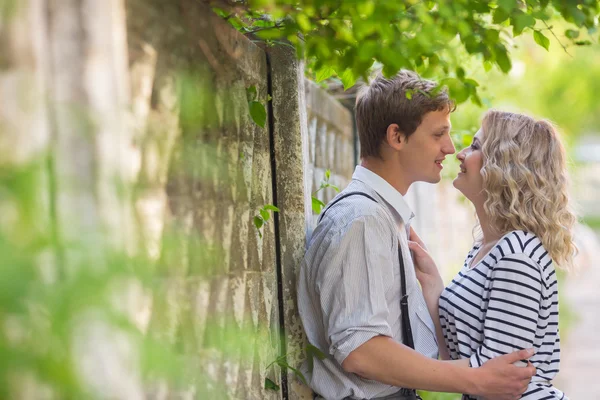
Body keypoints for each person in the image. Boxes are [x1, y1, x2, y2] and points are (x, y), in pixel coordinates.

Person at [297, 71, 536, 400]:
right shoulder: (362, 220)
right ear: (396, 136)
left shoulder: (383, 216)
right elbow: (361, 351)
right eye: (439, 134)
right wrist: (473, 379)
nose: (450, 148)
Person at [409, 110, 575, 399]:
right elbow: (460, 359)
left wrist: (392, 367)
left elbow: (497, 382)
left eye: (475, 147)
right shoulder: (486, 249)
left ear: (503, 166)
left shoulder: (517, 255)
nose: (460, 154)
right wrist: (433, 283)